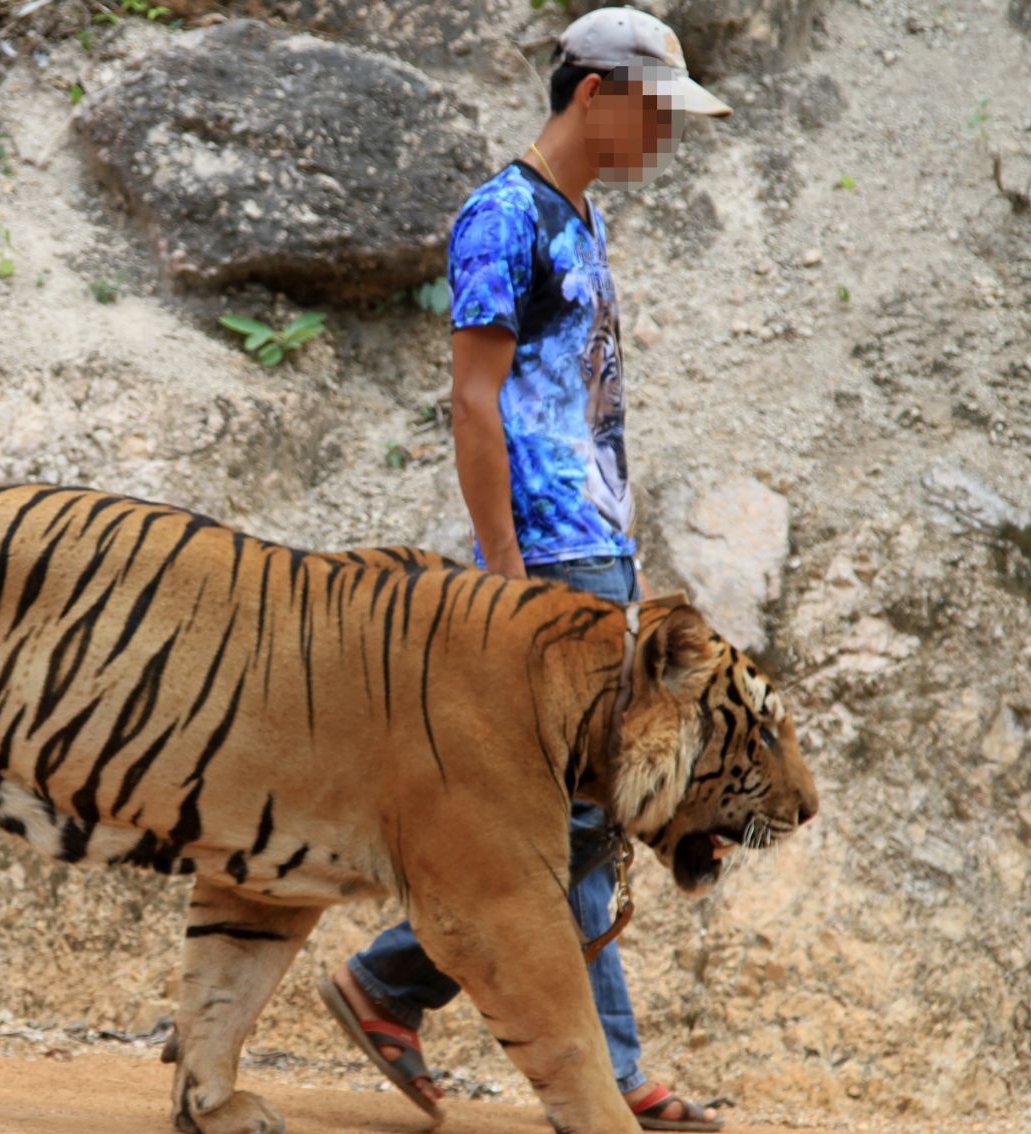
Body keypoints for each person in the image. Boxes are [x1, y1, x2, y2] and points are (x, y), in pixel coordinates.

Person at [317, 10, 736, 1131]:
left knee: (582, 822)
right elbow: (471, 401)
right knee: (582, 822)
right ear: (593, 92)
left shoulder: (578, 217)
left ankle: (399, 986)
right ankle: (590, 1067)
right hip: (545, 565)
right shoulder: (500, 216)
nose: (663, 137)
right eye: (653, 112)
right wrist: (502, 575)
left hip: (594, 550)